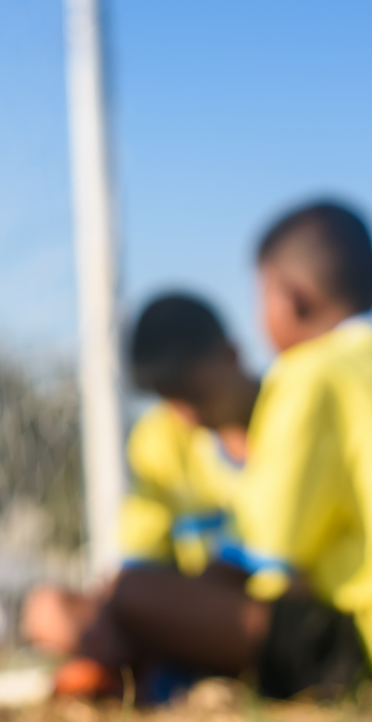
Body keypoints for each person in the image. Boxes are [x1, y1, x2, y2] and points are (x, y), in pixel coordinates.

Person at [44, 200, 372, 712]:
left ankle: (142, 675)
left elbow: (263, 557)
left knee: (137, 597)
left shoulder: (309, 374)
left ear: (290, 297)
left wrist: (135, 613)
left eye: (261, 296)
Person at [22, 292, 260, 699]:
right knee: (48, 609)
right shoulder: (158, 437)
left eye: (196, 393)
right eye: (169, 397)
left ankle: (149, 680)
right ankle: (162, 679)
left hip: (256, 617)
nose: (187, 414)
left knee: (135, 598)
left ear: (231, 357)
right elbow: (139, 563)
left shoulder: (291, 419)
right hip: (177, 617)